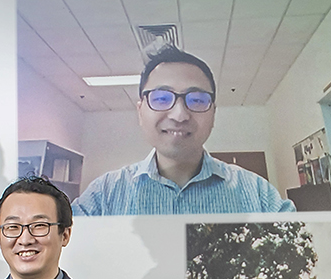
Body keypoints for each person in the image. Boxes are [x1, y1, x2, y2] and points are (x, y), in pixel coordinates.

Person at [73, 48, 294, 215]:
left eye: (196, 100)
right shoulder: (103, 197)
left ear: (213, 113)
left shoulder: (259, 196)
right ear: (140, 111)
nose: (179, 115)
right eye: (161, 98)